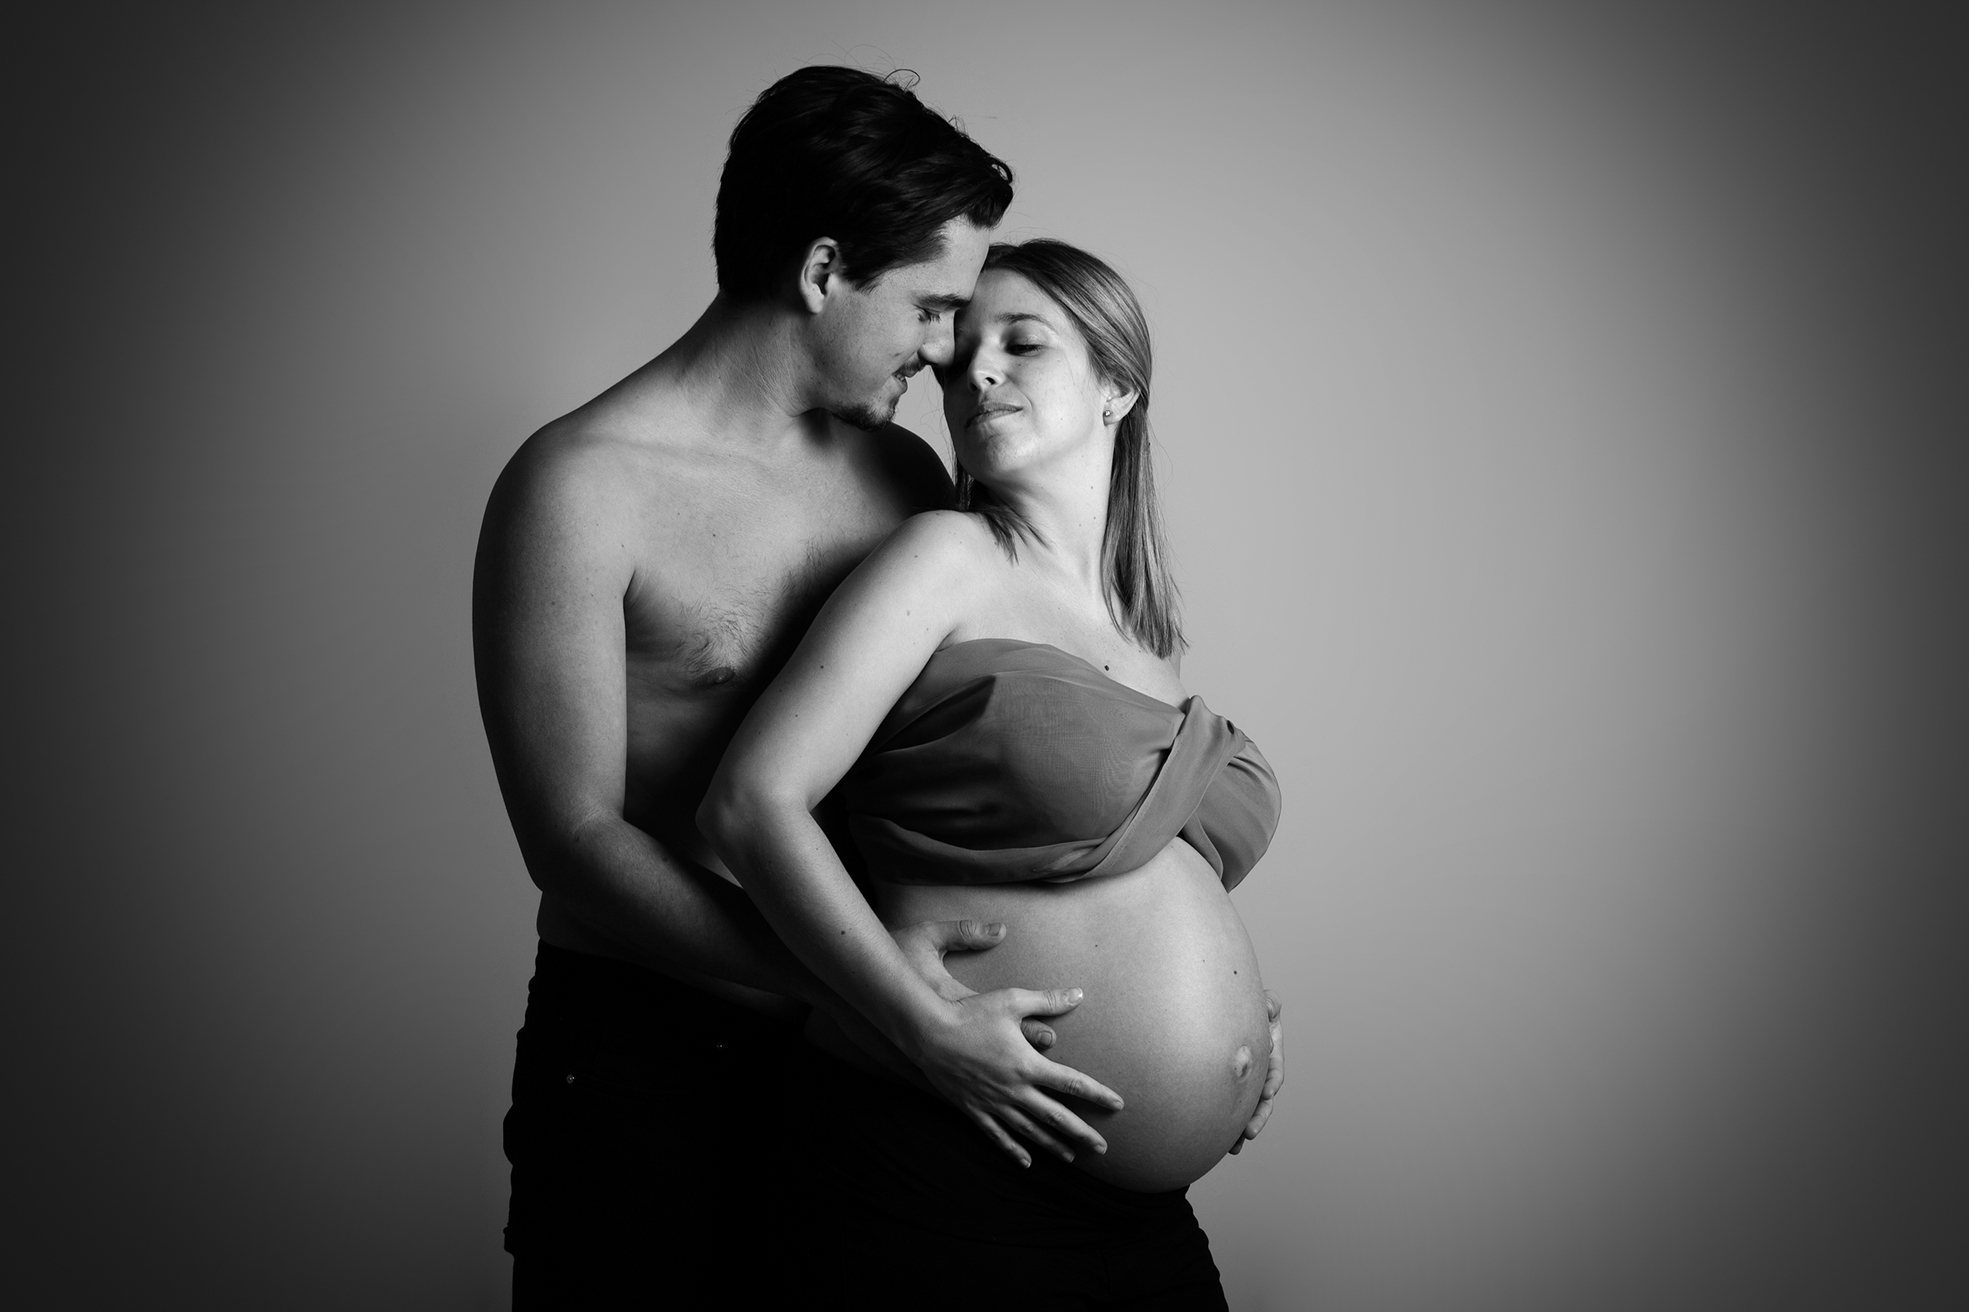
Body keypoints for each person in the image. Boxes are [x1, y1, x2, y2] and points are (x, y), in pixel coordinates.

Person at [472, 66, 1083, 1306]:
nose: (945, 351)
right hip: (649, 1050)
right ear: (819, 273)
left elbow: (996, 746)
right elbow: (575, 841)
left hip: (860, 1056)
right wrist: (869, 987)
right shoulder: (576, 491)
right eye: (927, 308)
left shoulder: (905, 480)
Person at [700, 238, 1284, 1310]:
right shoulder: (948, 558)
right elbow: (750, 801)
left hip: (1124, 1206)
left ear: (1119, 385)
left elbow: (1114, 874)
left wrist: (1240, 1020)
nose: (976, 370)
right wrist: (924, 1030)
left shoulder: (1143, 634)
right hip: (955, 1156)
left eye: (1023, 343)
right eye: (960, 350)